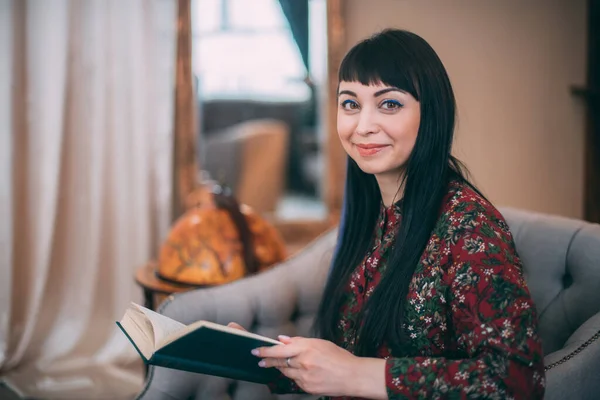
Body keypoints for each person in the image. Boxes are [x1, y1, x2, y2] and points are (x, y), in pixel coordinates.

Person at [229, 28, 545, 399]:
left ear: (431, 114)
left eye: (389, 104)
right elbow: (346, 361)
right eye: (350, 104)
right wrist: (267, 359)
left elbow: (516, 379)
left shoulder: (468, 226)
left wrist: (354, 374)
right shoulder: (372, 213)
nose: (363, 126)